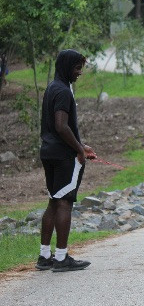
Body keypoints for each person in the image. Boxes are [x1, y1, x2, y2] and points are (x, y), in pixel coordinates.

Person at [35, 49, 97, 272]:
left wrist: (81, 145)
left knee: (54, 200)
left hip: (49, 152)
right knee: (64, 202)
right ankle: (61, 258)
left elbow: (57, 127)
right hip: (63, 157)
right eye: (77, 68)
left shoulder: (53, 87)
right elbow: (61, 126)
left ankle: (44, 256)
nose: (79, 72)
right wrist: (79, 150)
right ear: (66, 67)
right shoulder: (63, 91)